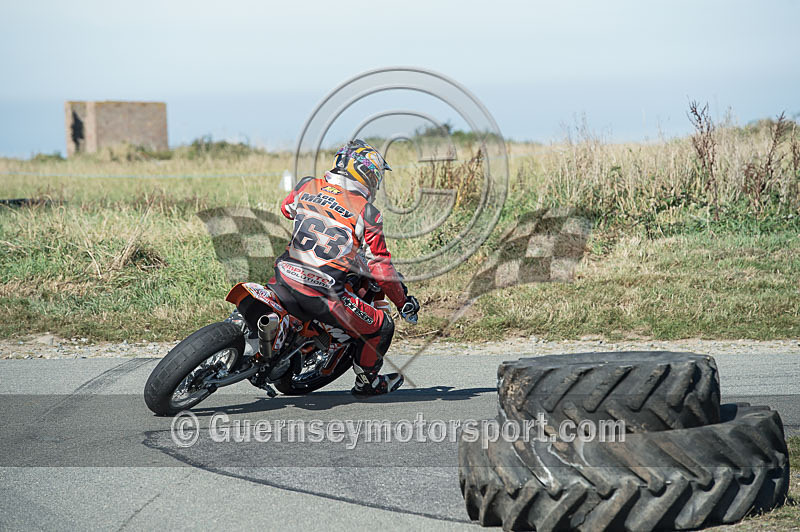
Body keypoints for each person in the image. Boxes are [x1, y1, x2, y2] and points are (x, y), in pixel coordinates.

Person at [268, 139, 420, 396]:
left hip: (284, 274)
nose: (375, 182)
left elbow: (286, 209)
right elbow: (381, 269)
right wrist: (403, 301)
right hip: (324, 293)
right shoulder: (367, 212)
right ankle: (368, 383)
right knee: (383, 326)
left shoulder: (307, 184)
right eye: (374, 175)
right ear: (362, 172)